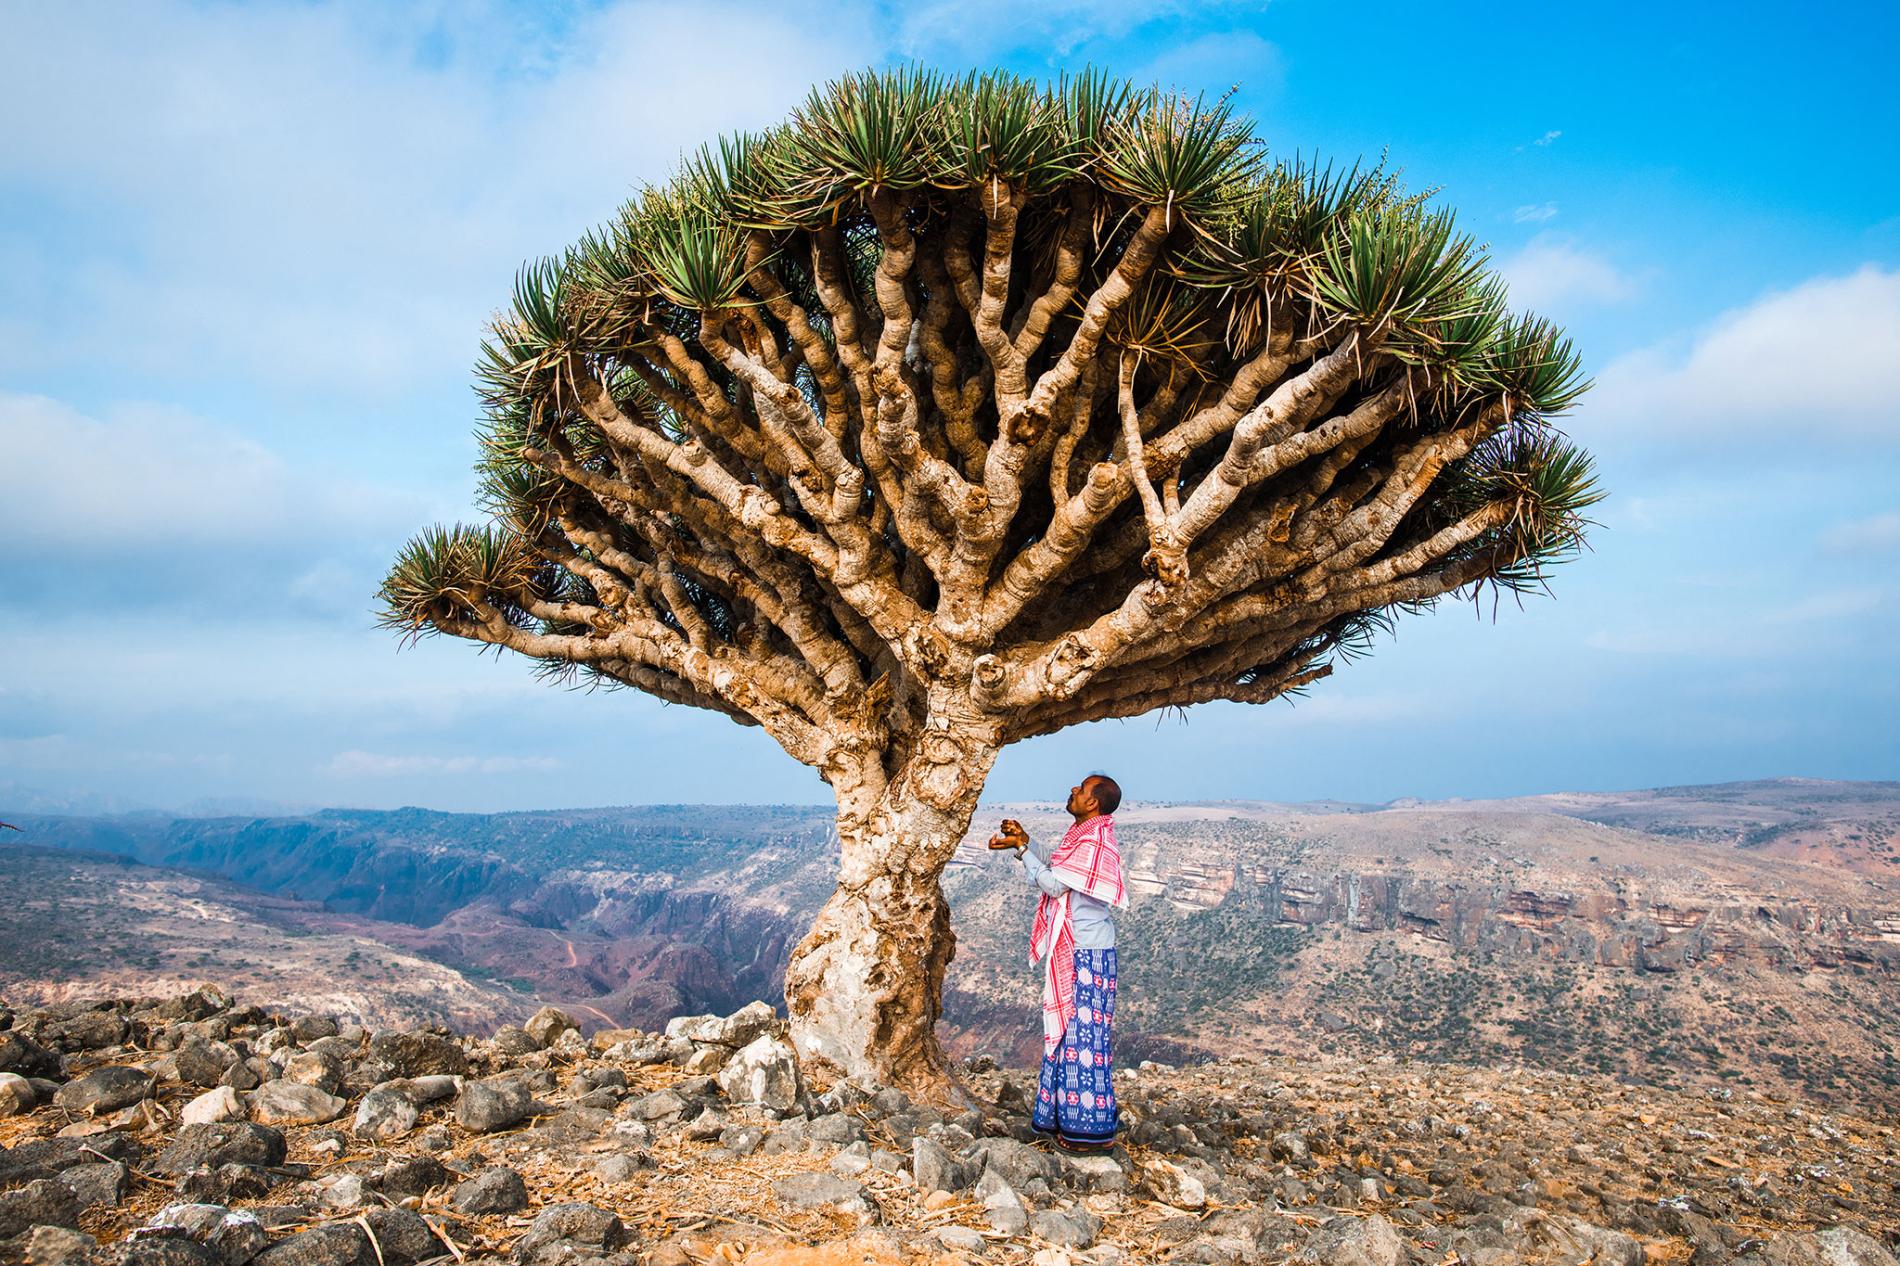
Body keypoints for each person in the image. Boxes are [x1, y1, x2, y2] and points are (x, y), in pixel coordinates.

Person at [988, 773, 1127, 1153]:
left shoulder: (1095, 840)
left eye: (1081, 789)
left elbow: (1053, 885)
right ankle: (1060, 1118)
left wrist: (1023, 852)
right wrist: (1024, 844)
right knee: (1069, 1034)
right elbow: (1061, 874)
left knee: (1085, 1039)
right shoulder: (1083, 836)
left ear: (1093, 803)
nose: (1073, 790)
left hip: (1088, 954)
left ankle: (1089, 1132)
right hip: (1082, 950)